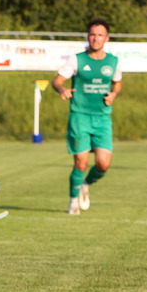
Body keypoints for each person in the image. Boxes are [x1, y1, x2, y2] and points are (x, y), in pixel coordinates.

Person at [51, 19, 122, 215]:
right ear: (87, 36)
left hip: (102, 118)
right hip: (80, 116)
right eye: (92, 34)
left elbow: (117, 83)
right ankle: (73, 202)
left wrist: (114, 94)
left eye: (99, 35)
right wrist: (62, 89)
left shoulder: (113, 62)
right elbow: (57, 81)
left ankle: (85, 184)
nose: (95, 38)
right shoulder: (76, 59)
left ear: (106, 38)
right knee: (80, 162)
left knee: (103, 164)